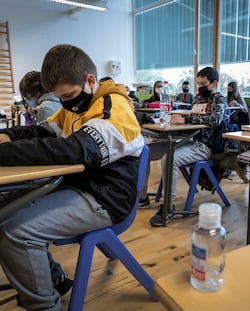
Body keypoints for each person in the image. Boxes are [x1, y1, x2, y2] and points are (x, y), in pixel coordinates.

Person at [0, 44, 145, 310]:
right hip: (82, 186)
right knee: (6, 208)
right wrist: (10, 136)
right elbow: (45, 132)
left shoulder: (115, 108)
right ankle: (54, 279)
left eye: (67, 96)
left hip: (107, 197)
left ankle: (44, 305)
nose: (64, 103)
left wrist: (5, 152)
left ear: (90, 81)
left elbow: (74, 150)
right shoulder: (74, 103)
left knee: (14, 231)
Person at [149, 66, 226, 226]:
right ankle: (141, 197)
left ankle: (168, 208)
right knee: (146, 151)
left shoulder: (218, 99)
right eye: (198, 83)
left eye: (203, 83)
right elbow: (191, 121)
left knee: (169, 158)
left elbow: (214, 120)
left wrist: (187, 120)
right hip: (189, 141)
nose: (200, 87)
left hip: (203, 146)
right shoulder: (197, 100)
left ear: (214, 83)